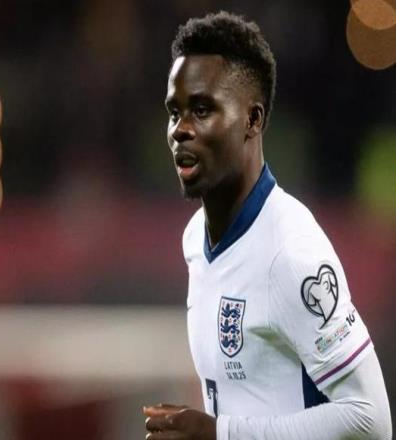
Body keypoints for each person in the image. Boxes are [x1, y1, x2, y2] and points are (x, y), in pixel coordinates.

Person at [143, 11, 391, 440]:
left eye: (201, 110)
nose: (180, 130)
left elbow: (371, 419)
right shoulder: (195, 239)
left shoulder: (290, 253)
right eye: (174, 112)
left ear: (253, 120)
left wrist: (220, 433)